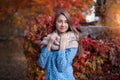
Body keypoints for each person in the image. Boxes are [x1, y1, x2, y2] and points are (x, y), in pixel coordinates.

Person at [38, 9, 81, 80]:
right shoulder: (48, 39)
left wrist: (62, 46)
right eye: (60, 21)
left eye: (66, 22)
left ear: (69, 24)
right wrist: (49, 43)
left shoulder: (72, 42)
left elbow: (61, 68)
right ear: (55, 23)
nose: (63, 25)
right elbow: (42, 64)